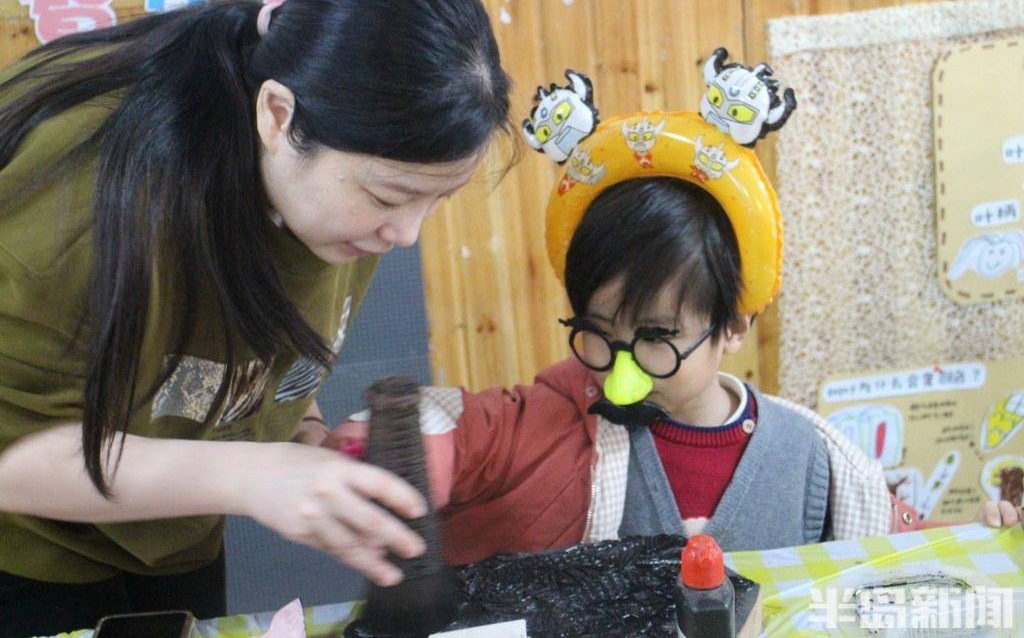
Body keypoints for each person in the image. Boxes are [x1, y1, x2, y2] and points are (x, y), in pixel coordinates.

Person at [331, 60, 1022, 567]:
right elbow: (473, 430)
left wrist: (984, 532)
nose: (623, 367)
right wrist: (398, 450)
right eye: (601, 334)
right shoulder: (561, 412)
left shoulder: (814, 458)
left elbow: (909, 549)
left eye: (658, 338)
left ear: (732, 324)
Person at [0, 0, 512, 634]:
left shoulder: (340, 203)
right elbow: (13, 465)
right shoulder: (80, 206)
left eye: (436, 200)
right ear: (276, 114)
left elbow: (251, 361)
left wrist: (302, 440)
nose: (406, 233)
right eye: (390, 196)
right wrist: (249, 474)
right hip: (26, 542)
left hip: (171, 527)